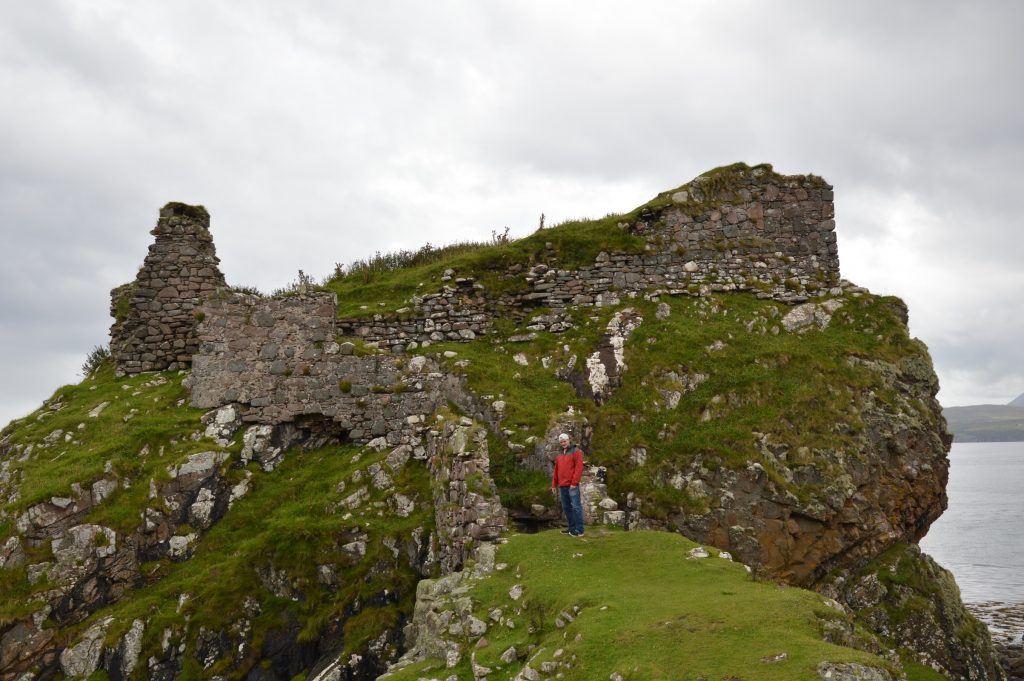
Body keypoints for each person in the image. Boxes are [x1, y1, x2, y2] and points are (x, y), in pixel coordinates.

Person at [551, 432, 584, 537]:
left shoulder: (577, 452)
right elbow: (556, 470)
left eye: (564, 441)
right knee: (566, 508)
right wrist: (553, 485)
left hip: (572, 485)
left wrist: (574, 483)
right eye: (561, 442)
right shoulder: (560, 455)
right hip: (562, 485)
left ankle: (579, 530)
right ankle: (571, 528)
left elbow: (579, 468)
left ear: (569, 440)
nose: (563, 443)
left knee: (576, 507)